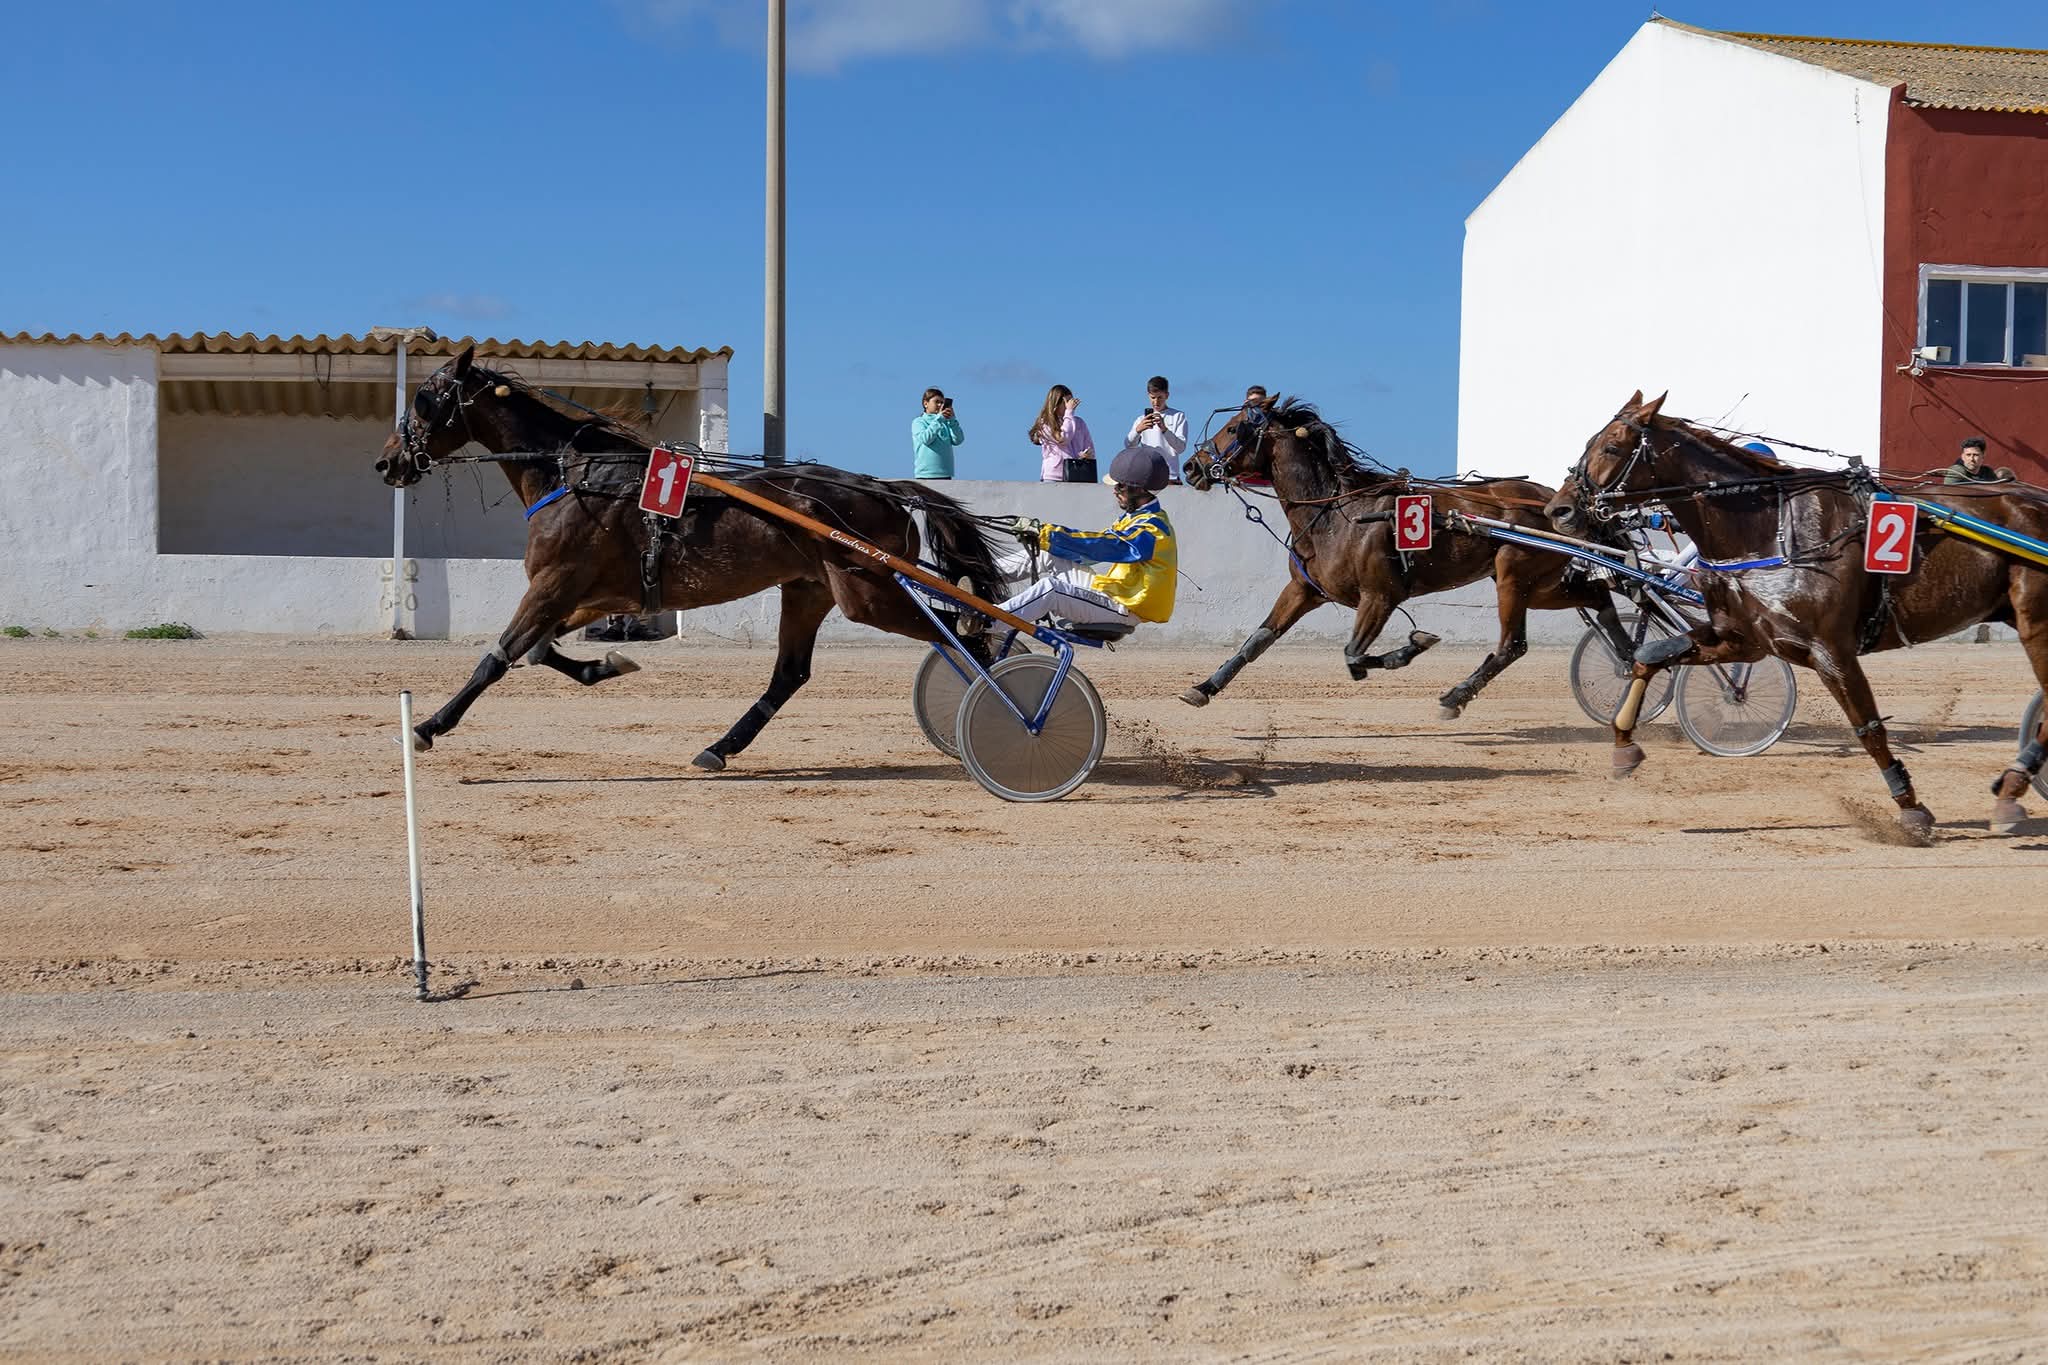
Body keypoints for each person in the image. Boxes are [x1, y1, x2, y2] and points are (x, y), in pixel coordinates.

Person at [992, 446, 1178, 629]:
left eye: (1119, 486)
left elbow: (1105, 546)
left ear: (1140, 490)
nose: (1114, 490)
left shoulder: (1153, 529)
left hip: (1125, 608)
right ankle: (979, 574)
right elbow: (1089, 555)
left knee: (1051, 589)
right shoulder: (1134, 519)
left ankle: (988, 620)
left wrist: (1048, 534)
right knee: (1045, 554)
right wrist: (1044, 539)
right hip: (1112, 593)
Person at [1124, 375, 1187, 484]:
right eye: (1153, 398)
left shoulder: (1178, 416)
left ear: (1167, 395)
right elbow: (1128, 445)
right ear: (1148, 396)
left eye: (1159, 397)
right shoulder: (1141, 419)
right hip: (1147, 476)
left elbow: (1180, 448)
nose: (1156, 402)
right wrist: (1138, 430)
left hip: (1170, 477)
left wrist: (1164, 429)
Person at [1029, 384, 1094, 483]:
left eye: (1071, 401)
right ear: (1056, 403)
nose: (1070, 405)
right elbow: (1063, 439)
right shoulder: (1045, 423)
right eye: (1066, 402)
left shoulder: (1079, 423)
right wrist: (1069, 413)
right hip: (1054, 477)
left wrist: (1087, 455)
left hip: (1077, 474)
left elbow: (1089, 447)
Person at [911, 387, 963, 479]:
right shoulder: (918, 422)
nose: (940, 405)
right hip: (925, 475)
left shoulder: (945, 422)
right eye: (937, 402)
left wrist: (952, 421)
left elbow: (958, 440)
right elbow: (926, 439)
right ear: (925, 403)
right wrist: (939, 419)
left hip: (946, 475)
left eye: (942, 403)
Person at [1944, 435, 2013, 484]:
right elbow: (1947, 495)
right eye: (1968, 455)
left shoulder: (1987, 472)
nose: (1971, 459)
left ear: (1983, 456)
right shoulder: (1957, 471)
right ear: (1962, 456)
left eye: (1975, 455)